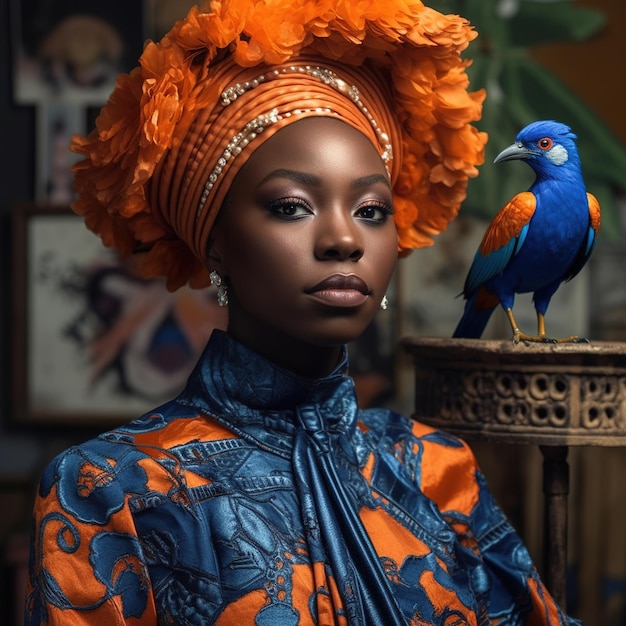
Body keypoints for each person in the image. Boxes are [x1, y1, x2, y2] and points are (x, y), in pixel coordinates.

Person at [24, 0, 582, 624]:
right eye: (291, 206)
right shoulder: (112, 489)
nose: (345, 239)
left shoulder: (434, 467)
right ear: (216, 243)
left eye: (371, 211)